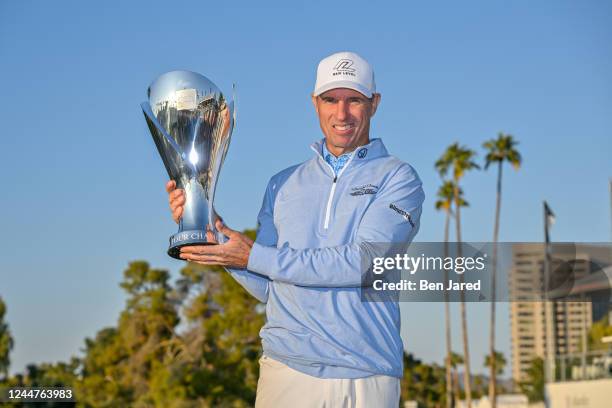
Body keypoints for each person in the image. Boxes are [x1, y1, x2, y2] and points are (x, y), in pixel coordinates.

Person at [166, 51, 425, 407]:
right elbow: (269, 289)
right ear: (315, 103)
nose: (342, 113)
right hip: (285, 370)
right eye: (331, 100)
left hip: (365, 373)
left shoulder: (399, 178)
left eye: (355, 100)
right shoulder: (282, 184)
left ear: (374, 103)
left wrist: (253, 254)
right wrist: (215, 236)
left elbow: (364, 263)